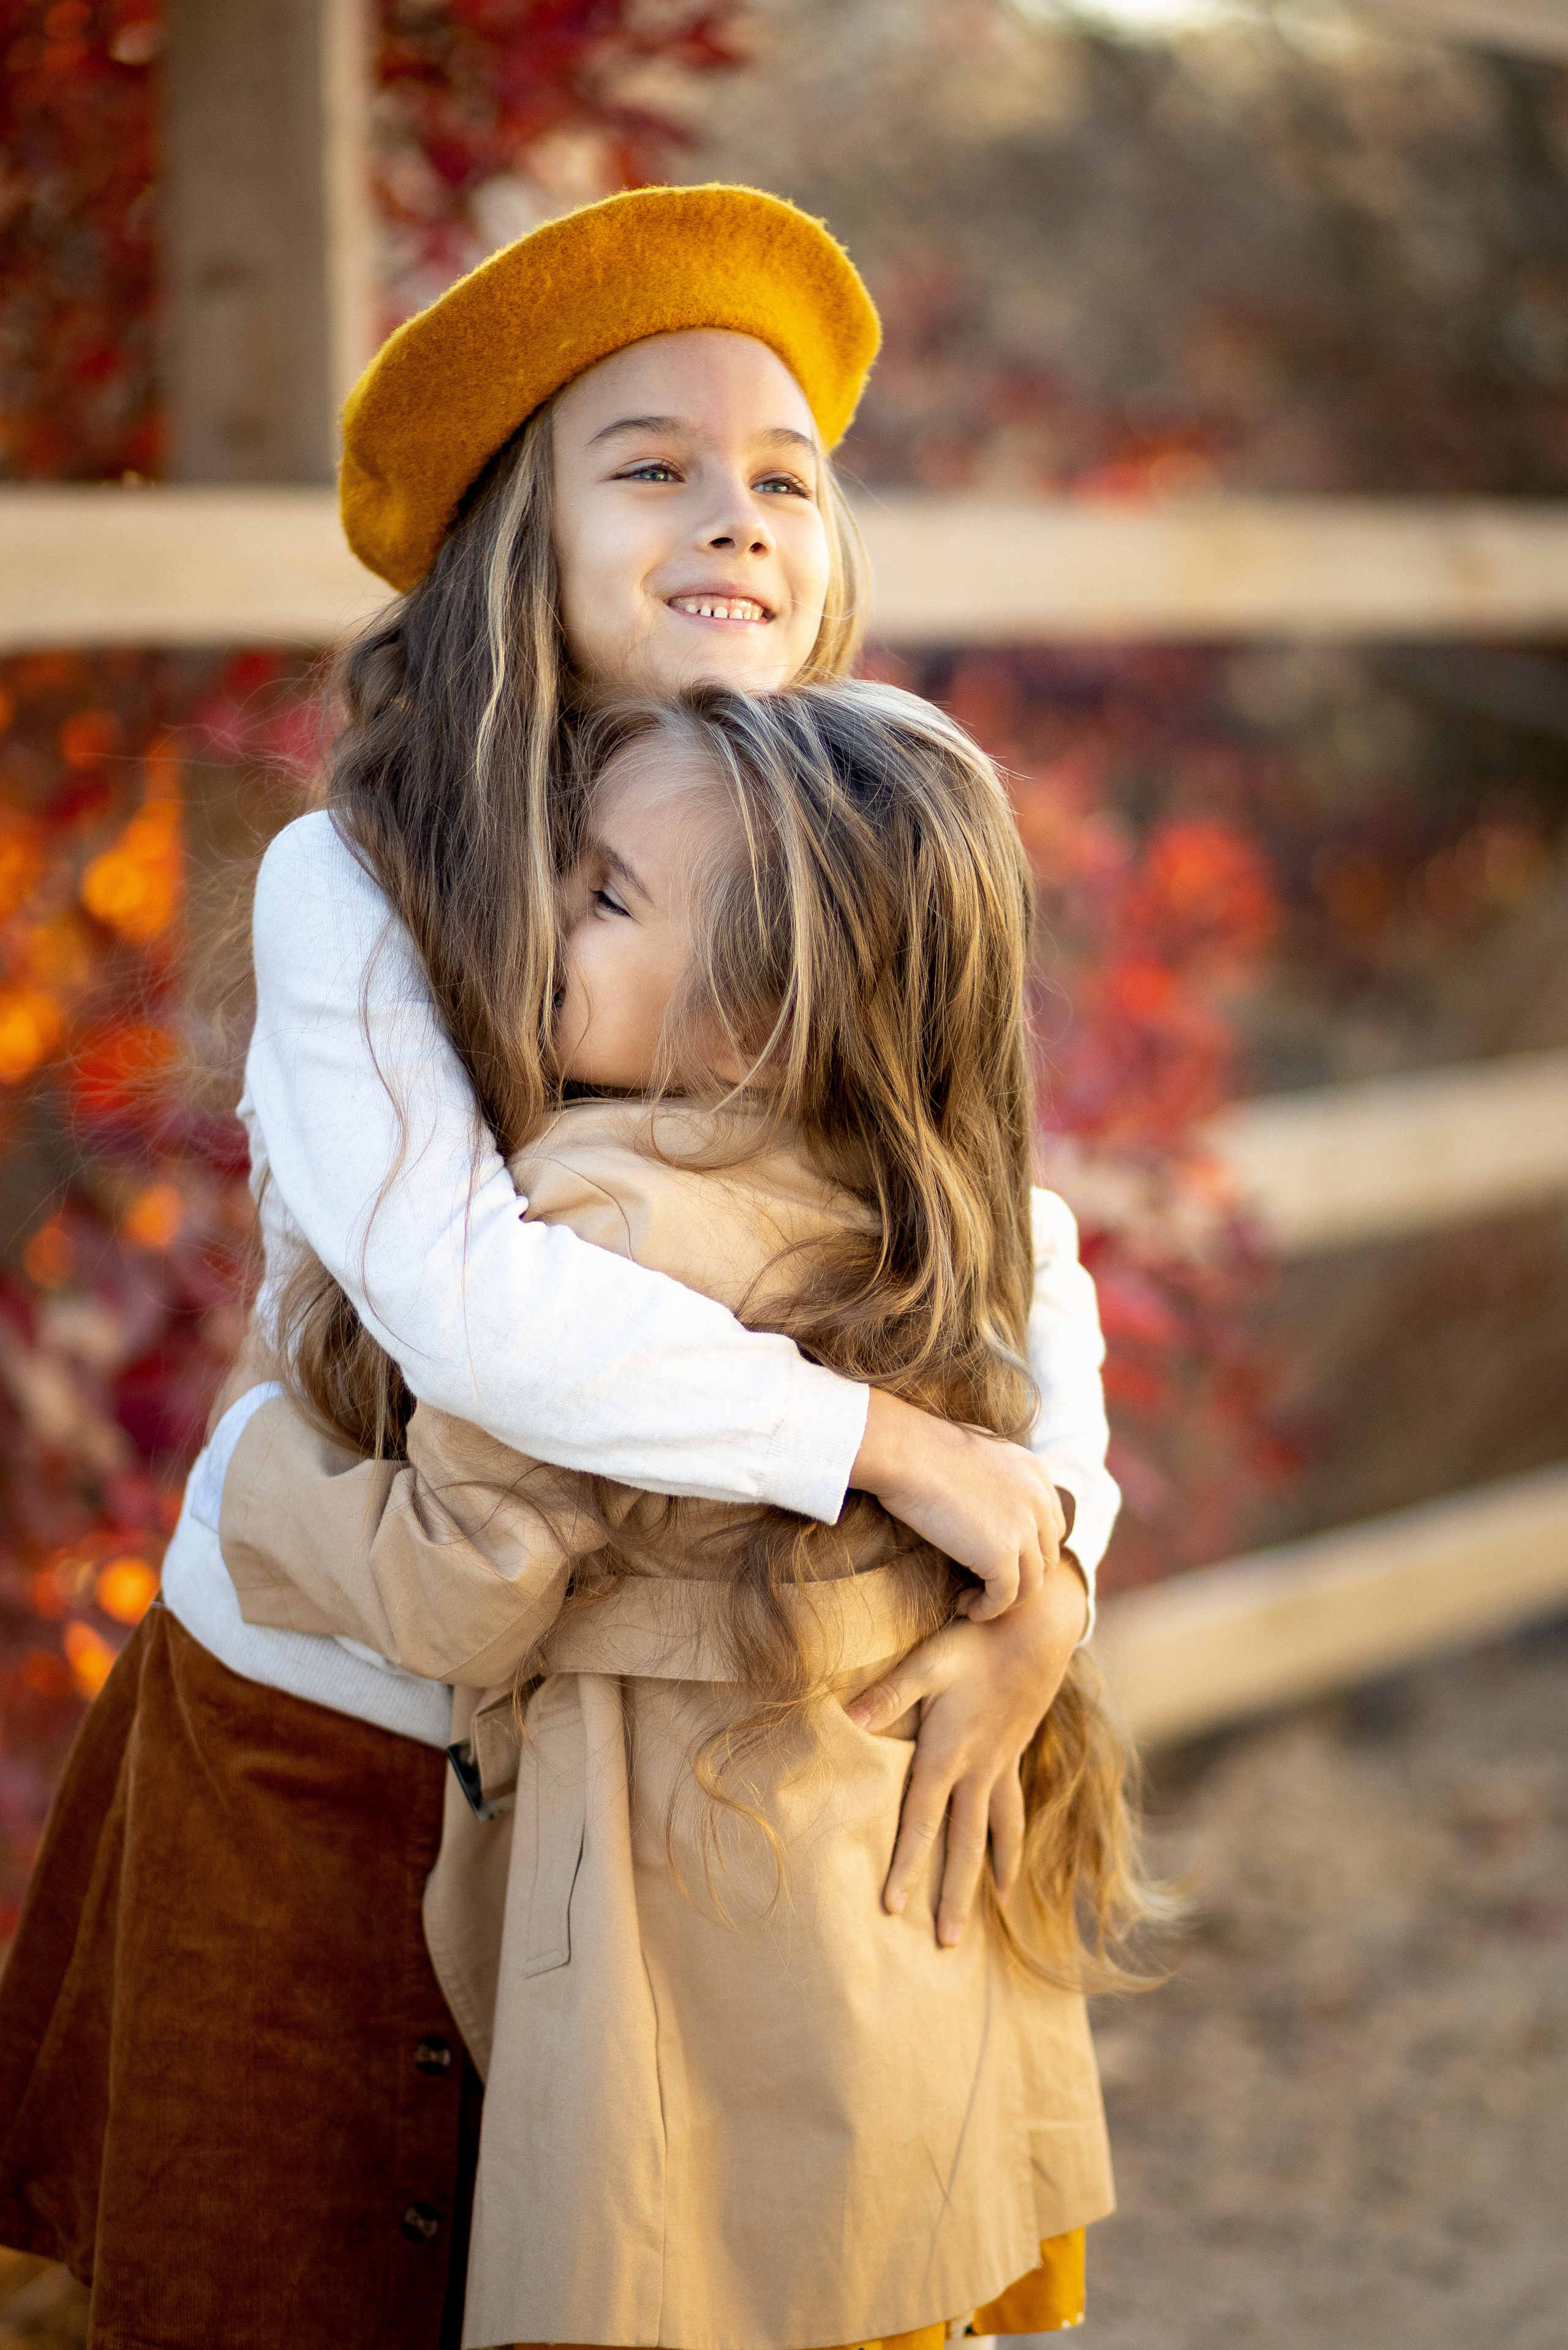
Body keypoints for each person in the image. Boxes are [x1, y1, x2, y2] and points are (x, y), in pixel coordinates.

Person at [0, 188, 1117, 2350]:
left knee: (669, 2266)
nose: (738, 513)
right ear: (521, 534)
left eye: (785, 473)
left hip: (709, 1754)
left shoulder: (864, 830)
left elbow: (1015, 1229)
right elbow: (466, 1295)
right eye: (655, 464)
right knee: (296, 2271)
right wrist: (898, 1448)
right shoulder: (367, 874)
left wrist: (1047, 1541)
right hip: (353, 1728)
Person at [218, 680, 1158, 2348]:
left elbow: (462, 1591)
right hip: (908, 1908)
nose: (535, 920)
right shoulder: (923, 1207)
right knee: (882, 2264)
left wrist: (262, 1485)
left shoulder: (590, 1213)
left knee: (686, 2271)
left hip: (689, 1954)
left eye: (600, 896)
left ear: (759, 1025)